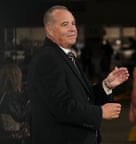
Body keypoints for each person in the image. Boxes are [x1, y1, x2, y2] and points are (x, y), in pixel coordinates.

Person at [27, 5, 129, 144]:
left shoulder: (66, 56)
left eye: (73, 23)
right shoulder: (48, 59)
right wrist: (99, 113)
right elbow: (61, 106)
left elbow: (82, 98)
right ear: (49, 29)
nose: (72, 28)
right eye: (65, 24)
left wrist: (106, 85)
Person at [0, 63, 31, 144]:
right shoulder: (9, 96)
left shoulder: (5, 94)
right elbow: (20, 116)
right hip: (11, 138)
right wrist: (31, 103)